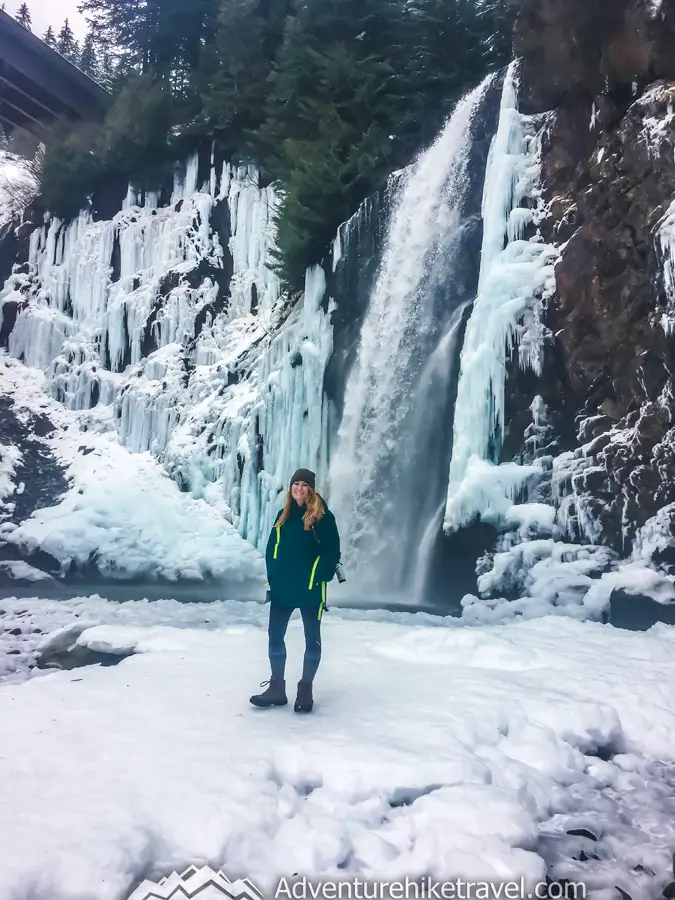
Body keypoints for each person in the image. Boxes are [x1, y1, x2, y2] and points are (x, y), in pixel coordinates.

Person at [250, 468, 341, 713]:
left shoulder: (322, 517)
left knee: (312, 640)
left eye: (304, 484)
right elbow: (273, 549)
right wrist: (273, 577)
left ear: (311, 489)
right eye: (295, 484)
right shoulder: (284, 515)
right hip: (283, 587)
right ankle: (277, 689)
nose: (299, 488)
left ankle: (305, 690)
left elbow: (332, 552)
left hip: (310, 589)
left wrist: (317, 576)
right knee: (275, 637)